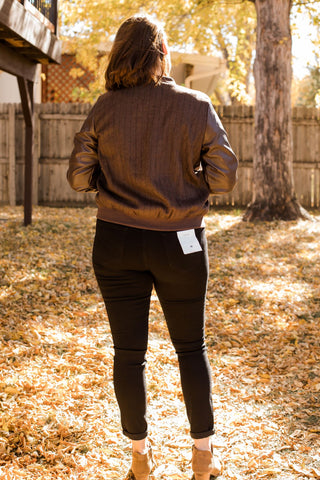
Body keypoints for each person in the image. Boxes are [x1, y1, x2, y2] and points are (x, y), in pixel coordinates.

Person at [67, 14, 238, 480]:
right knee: (190, 346)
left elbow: (79, 177)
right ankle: (203, 457)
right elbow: (223, 176)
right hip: (180, 244)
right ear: (161, 55)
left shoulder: (105, 108)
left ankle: (140, 460)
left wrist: (115, 183)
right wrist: (188, 185)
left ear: (122, 55)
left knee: (128, 353)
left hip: (116, 242)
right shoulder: (196, 104)